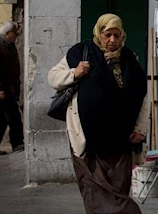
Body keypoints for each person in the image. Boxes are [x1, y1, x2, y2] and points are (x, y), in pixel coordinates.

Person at [48, 13, 149, 213]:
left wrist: (141, 129)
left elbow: (142, 97)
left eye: (116, 35)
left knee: (117, 191)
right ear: (98, 33)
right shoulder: (81, 53)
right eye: (107, 35)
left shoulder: (129, 60)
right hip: (88, 142)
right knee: (94, 191)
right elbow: (53, 77)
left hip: (120, 141)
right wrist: (74, 73)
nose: (112, 40)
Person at [0, 21, 25, 156]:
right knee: (14, 117)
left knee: (1, 120)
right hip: (3, 90)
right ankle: (17, 143)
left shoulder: (9, 46)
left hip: (9, 90)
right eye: (15, 33)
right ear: (8, 33)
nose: (17, 36)